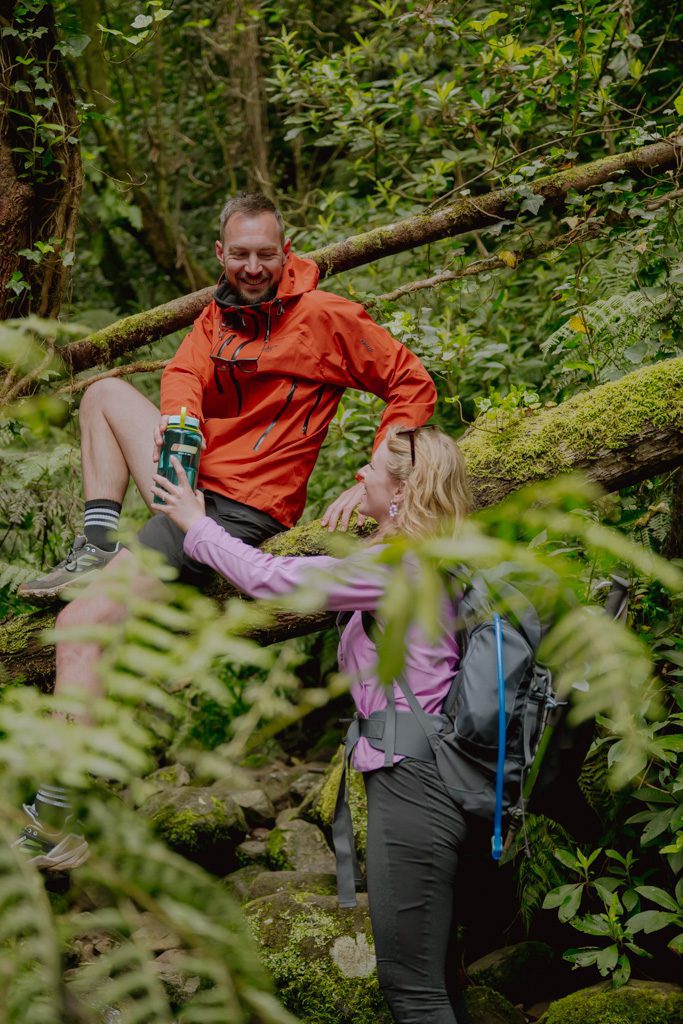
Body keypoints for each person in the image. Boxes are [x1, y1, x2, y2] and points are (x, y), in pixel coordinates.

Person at [14, 192, 436, 864]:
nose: (251, 266)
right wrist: (180, 421)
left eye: (264, 254)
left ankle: (63, 811)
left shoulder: (324, 317)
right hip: (195, 475)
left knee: (79, 627)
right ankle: (94, 544)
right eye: (239, 254)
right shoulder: (220, 311)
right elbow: (184, 370)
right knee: (104, 394)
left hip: (236, 505)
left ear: (285, 249)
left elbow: (409, 382)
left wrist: (369, 477)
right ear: (221, 253)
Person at [149, 426, 473, 1024]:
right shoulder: (434, 557)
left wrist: (198, 526)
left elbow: (279, 581)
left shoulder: (398, 567)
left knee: (413, 990)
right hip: (431, 779)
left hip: (413, 786)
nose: (361, 477)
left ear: (403, 490)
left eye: (371, 470)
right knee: (439, 977)